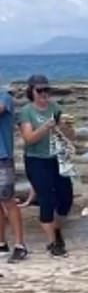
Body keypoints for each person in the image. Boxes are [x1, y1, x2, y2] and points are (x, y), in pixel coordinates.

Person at [19, 74, 76, 257]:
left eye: (47, 90)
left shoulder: (55, 108)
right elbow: (29, 139)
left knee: (66, 197)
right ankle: (52, 243)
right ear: (32, 91)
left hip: (56, 158)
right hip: (36, 159)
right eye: (39, 90)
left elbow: (69, 136)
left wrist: (67, 128)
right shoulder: (27, 111)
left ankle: (56, 228)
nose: (44, 94)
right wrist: (46, 127)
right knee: (46, 198)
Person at [0, 87, 27, 262]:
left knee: (8, 200)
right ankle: (1, 242)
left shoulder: (5, 98)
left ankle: (20, 245)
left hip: (2, 158)